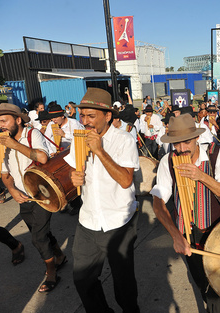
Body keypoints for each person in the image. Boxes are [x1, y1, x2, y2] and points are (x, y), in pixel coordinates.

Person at [151, 113, 220, 313]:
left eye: (186, 142)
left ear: (197, 137)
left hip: (216, 233)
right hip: (187, 235)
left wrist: (201, 176)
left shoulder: (217, 155)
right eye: (176, 144)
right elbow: (158, 203)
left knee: (216, 289)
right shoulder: (168, 161)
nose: (181, 149)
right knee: (201, 283)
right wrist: (176, 236)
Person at [65, 88, 140, 312]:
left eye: (91, 116)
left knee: (124, 286)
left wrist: (99, 151)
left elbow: (126, 180)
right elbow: (72, 174)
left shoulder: (124, 140)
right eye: (82, 115)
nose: (85, 122)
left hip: (118, 222)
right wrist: (73, 178)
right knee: (83, 280)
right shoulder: (78, 140)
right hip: (88, 220)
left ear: (107, 116)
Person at [0, 103, 66, 293]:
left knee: (37, 237)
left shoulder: (31, 134)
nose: (0, 125)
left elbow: (43, 158)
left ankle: (51, 272)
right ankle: (59, 256)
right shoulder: (2, 143)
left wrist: (16, 145)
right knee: (41, 232)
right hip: (23, 197)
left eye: (4, 120)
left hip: (42, 193)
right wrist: (11, 190)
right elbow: (4, 173)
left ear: (18, 120)